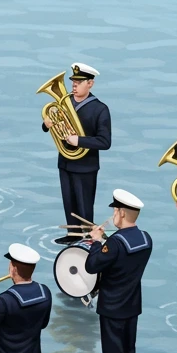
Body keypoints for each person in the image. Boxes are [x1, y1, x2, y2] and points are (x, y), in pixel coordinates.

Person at [85, 189, 153, 353]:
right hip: (132, 302)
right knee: (128, 347)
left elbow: (91, 265)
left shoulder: (114, 243)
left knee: (113, 349)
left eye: (115, 210)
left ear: (121, 213)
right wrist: (106, 244)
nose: (113, 214)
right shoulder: (145, 238)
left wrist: (97, 242)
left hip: (113, 304)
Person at [47, 63, 111, 244]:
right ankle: (73, 235)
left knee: (84, 204)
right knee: (69, 201)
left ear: (90, 84)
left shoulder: (100, 109)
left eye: (79, 82)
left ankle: (89, 237)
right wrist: (47, 124)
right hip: (66, 162)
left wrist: (79, 141)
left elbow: (105, 142)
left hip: (85, 166)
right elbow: (55, 125)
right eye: (73, 81)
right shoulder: (64, 105)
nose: (74, 85)